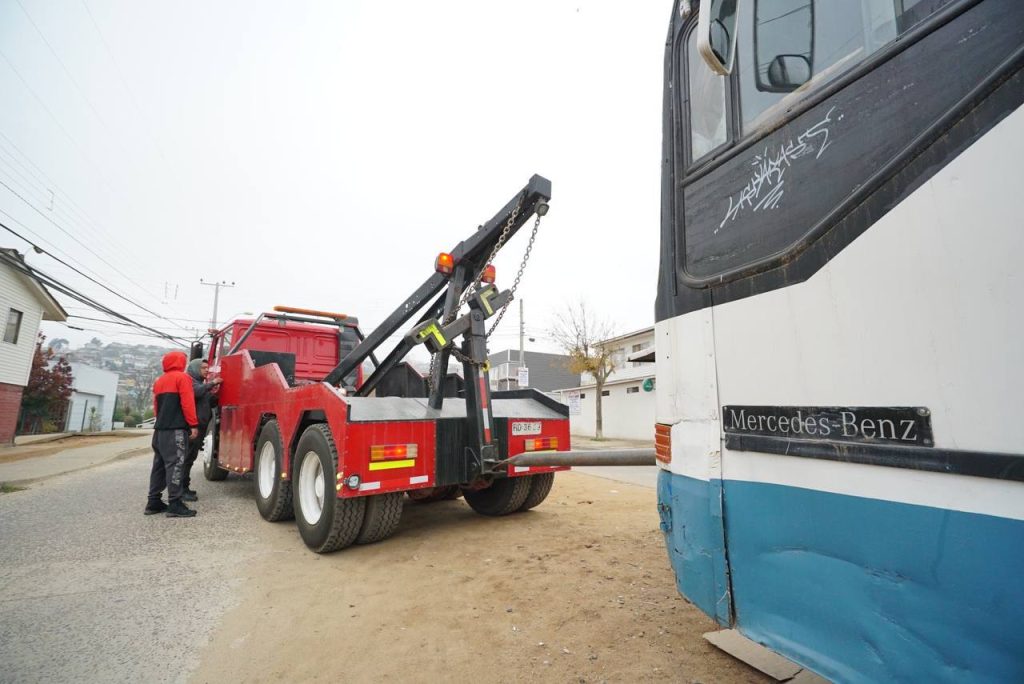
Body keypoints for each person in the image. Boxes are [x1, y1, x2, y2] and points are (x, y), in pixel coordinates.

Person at [145, 350, 199, 518]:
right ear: (181, 362)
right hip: (175, 430)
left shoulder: (159, 381)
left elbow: (156, 407)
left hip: (159, 431)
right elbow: (187, 403)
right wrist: (193, 425)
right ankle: (175, 503)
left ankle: (153, 502)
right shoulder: (182, 378)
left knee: (159, 466)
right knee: (175, 465)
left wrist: (161, 421)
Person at [181, 358, 222, 500]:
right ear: (194, 369)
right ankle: (181, 490)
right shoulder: (189, 382)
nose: (207, 370)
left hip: (200, 428)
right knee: (185, 460)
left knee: (190, 459)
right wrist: (212, 383)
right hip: (191, 428)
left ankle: (185, 487)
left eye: (207, 367)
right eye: (203, 367)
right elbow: (195, 392)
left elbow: (209, 401)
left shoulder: (201, 384)